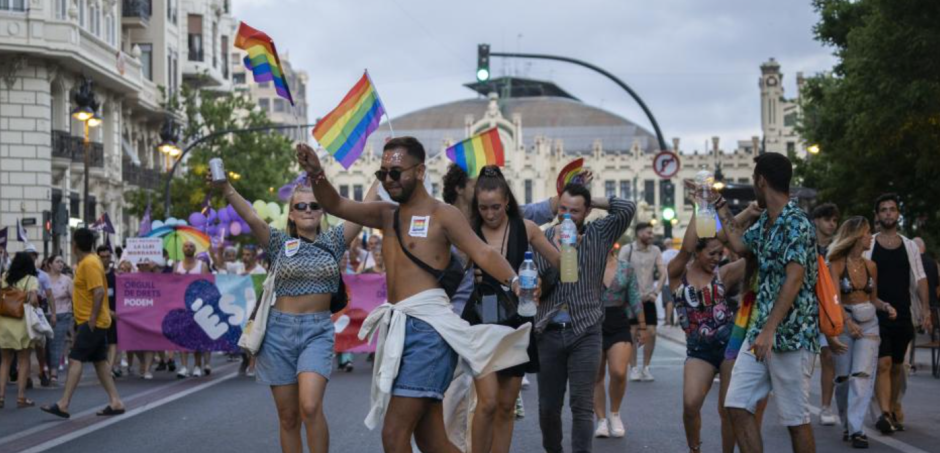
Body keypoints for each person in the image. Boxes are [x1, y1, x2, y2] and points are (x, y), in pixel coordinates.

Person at [297, 138, 531, 453]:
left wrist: (516, 281)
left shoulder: (443, 214)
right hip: (401, 328)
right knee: (431, 441)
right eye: (383, 174)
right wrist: (317, 174)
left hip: (430, 333)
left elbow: (483, 253)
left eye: (396, 173)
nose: (389, 180)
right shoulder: (385, 214)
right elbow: (337, 205)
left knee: (394, 436)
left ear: (420, 171)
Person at [211, 169, 375, 453]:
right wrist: (226, 188)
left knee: (310, 406)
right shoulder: (277, 243)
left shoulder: (335, 241)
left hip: (317, 333)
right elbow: (251, 217)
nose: (308, 210)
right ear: (291, 214)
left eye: (314, 205)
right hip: (278, 334)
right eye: (300, 206)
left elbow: (360, 214)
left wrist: (380, 178)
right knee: (288, 418)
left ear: (322, 211)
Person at [721, 153, 819, 453]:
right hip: (759, 334)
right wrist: (716, 205)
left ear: (761, 180)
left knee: (795, 420)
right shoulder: (765, 221)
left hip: (792, 336)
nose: (753, 185)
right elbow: (736, 243)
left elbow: (795, 278)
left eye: (753, 179)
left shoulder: (796, 222)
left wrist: (769, 330)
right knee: (736, 405)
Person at [463, 166, 560, 453]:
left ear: (507, 201)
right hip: (481, 317)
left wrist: (541, 280)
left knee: (506, 406)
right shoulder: (468, 230)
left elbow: (563, 267)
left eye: (495, 207)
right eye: (483, 208)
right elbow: (450, 271)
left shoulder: (526, 228)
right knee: (488, 402)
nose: (490, 214)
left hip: (518, 319)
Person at [533, 183, 635, 453]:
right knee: (547, 408)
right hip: (549, 330)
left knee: (581, 405)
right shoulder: (543, 236)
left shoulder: (599, 233)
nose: (567, 216)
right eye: (563, 209)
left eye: (575, 211)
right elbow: (540, 284)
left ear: (587, 211)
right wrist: (558, 253)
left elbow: (628, 208)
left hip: (586, 330)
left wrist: (593, 199)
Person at [668, 204, 756, 453]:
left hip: (729, 346)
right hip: (698, 351)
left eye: (720, 254)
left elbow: (751, 255)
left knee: (728, 408)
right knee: (690, 405)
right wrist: (701, 204)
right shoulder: (677, 273)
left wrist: (749, 214)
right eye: (712, 254)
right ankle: (694, 448)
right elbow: (686, 247)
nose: (717, 258)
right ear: (698, 252)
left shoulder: (724, 273)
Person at [863, 194, 930, 434]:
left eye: (892, 209)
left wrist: (926, 309)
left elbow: (920, 277)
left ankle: (893, 406)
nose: (888, 213)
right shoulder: (867, 245)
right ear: (877, 215)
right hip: (875, 314)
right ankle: (885, 413)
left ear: (898, 214)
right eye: (884, 210)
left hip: (904, 314)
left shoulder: (909, 245)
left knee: (897, 367)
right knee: (883, 363)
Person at [41, 228, 125, 418]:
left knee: (75, 358)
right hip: (92, 320)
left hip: (92, 321)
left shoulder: (89, 264)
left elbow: (98, 292)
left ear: (75, 245)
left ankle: (63, 403)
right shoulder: (88, 262)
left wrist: (92, 318)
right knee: (99, 362)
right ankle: (116, 401)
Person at [827, 216, 896, 448]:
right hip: (844, 321)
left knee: (862, 377)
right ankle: (847, 424)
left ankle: (857, 429)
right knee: (844, 378)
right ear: (856, 236)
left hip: (868, 323)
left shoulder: (871, 266)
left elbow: (873, 298)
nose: (870, 237)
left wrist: (886, 307)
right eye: (867, 233)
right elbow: (834, 299)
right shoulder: (836, 262)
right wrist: (847, 321)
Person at [593, 246, 642, 439]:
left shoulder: (625, 268)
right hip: (593, 322)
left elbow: (635, 298)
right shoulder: (587, 266)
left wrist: (643, 326)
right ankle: (601, 420)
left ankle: (614, 413)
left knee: (619, 372)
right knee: (596, 376)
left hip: (618, 322)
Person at [622, 222, 665, 382]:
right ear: (639, 233)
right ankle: (633, 368)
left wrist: (656, 292)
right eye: (648, 233)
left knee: (652, 332)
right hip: (631, 299)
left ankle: (646, 367)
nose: (651, 236)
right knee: (632, 332)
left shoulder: (655, 250)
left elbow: (663, 273)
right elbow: (620, 271)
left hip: (648, 298)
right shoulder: (628, 249)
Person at [811, 202, 841, 426]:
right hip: (804, 309)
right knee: (802, 359)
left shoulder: (837, 250)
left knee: (828, 356)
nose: (832, 224)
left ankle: (825, 406)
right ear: (816, 220)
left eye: (834, 220)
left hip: (826, 310)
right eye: (827, 219)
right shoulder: (805, 244)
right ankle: (799, 403)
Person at [0, 252, 40, 408]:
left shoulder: (4, 277)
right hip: (22, 323)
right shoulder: (31, 280)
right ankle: (21, 397)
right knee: (24, 360)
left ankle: (1, 397)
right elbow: (34, 300)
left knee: (4, 361)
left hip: (4, 323)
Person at [174, 240, 212, 378]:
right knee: (182, 337)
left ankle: (197, 365)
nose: (188, 248)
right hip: (181, 306)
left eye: (191, 246)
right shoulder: (177, 265)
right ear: (182, 248)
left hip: (198, 306)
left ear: (194, 249)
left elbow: (207, 285)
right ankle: (184, 366)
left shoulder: (202, 265)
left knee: (197, 337)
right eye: (186, 246)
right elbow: (171, 286)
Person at [25, 245, 55, 387]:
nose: (31, 257)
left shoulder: (42, 275)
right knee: (25, 346)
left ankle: (42, 370)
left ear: (36, 257)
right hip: (23, 313)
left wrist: (53, 313)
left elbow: (49, 295)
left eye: (33, 255)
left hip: (38, 312)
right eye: (28, 255)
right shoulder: (18, 275)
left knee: (40, 346)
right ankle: (26, 376)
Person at [46, 254, 73, 384]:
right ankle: (44, 369)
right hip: (44, 315)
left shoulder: (67, 280)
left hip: (63, 315)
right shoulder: (43, 278)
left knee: (56, 343)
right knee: (44, 344)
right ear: (50, 264)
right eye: (57, 262)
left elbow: (74, 298)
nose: (60, 264)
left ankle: (54, 373)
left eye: (62, 262)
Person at [96, 245, 121, 378]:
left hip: (114, 314)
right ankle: (104, 367)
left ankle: (109, 369)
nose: (105, 259)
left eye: (108, 256)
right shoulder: (95, 273)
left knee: (113, 342)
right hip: (99, 312)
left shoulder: (116, 274)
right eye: (102, 257)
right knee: (100, 342)